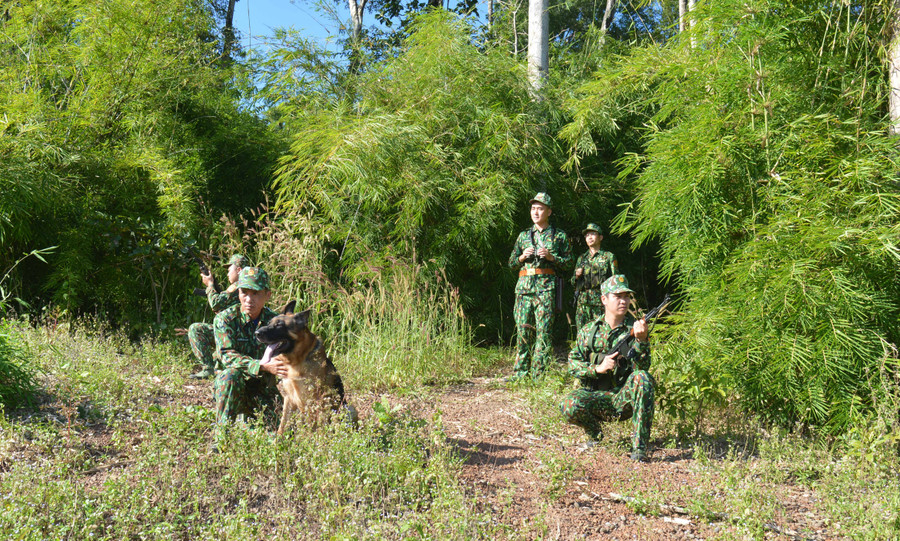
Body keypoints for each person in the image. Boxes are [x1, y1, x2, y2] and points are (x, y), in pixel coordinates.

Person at [560, 274, 655, 462]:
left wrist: (642, 341)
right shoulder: (589, 331)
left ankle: (639, 449)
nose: (624, 301)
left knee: (643, 378)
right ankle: (595, 435)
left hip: (622, 399)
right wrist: (597, 369)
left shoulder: (635, 330)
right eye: (618, 296)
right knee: (569, 404)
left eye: (626, 296)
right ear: (604, 299)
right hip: (596, 398)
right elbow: (573, 362)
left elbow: (642, 368)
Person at [212, 267, 288, 429]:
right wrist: (261, 366)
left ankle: (248, 419)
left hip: (261, 386)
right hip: (232, 387)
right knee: (230, 376)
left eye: (255, 293)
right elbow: (227, 356)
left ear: (267, 295)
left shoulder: (275, 322)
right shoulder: (225, 319)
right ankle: (222, 435)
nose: (248, 299)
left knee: (283, 431)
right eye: (244, 292)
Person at [507, 192, 572, 379]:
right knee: (523, 330)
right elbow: (511, 263)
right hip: (524, 289)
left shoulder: (559, 236)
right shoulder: (523, 236)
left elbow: (569, 263)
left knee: (543, 332)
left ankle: (539, 374)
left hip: (545, 289)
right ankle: (520, 373)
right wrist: (522, 257)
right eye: (533, 208)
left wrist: (552, 258)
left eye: (540, 208)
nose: (535, 212)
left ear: (548, 212)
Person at [188, 254, 248, 379]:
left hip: (234, 334)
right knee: (216, 357)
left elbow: (215, 304)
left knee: (196, 329)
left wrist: (210, 284)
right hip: (240, 334)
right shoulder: (248, 286)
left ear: (238, 270)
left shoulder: (237, 286)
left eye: (229, 270)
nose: (227, 274)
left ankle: (208, 369)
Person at [571, 223, 618, 331]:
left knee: (601, 332)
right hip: (583, 303)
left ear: (600, 237)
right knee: (582, 334)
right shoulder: (582, 258)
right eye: (587, 235)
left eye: (593, 234)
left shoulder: (608, 257)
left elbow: (615, 281)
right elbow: (573, 282)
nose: (590, 237)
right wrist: (577, 276)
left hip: (601, 302)